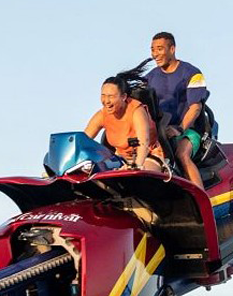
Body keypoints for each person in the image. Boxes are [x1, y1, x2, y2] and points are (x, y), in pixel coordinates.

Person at [145, 32, 208, 188]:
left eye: (159, 49)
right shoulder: (149, 78)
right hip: (161, 132)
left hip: (188, 130)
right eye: (152, 50)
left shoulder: (192, 73)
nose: (155, 54)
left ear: (172, 49)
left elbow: (196, 108)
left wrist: (179, 129)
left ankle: (203, 201)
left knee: (182, 154)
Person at [84, 62, 166, 172]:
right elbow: (83, 140)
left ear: (123, 97)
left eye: (111, 96)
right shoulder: (102, 115)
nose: (106, 101)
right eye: (103, 96)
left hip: (148, 156)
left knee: (137, 177)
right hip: (120, 160)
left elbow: (144, 142)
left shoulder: (137, 110)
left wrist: (136, 166)